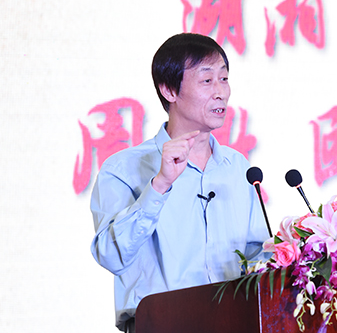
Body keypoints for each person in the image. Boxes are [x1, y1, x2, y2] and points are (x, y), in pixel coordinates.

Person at [90, 33, 270, 332]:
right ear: (169, 90)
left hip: (234, 322)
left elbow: (257, 255)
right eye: (207, 80)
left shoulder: (237, 167)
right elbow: (111, 256)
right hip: (162, 324)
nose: (221, 92)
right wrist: (159, 185)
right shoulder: (124, 169)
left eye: (224, 79)